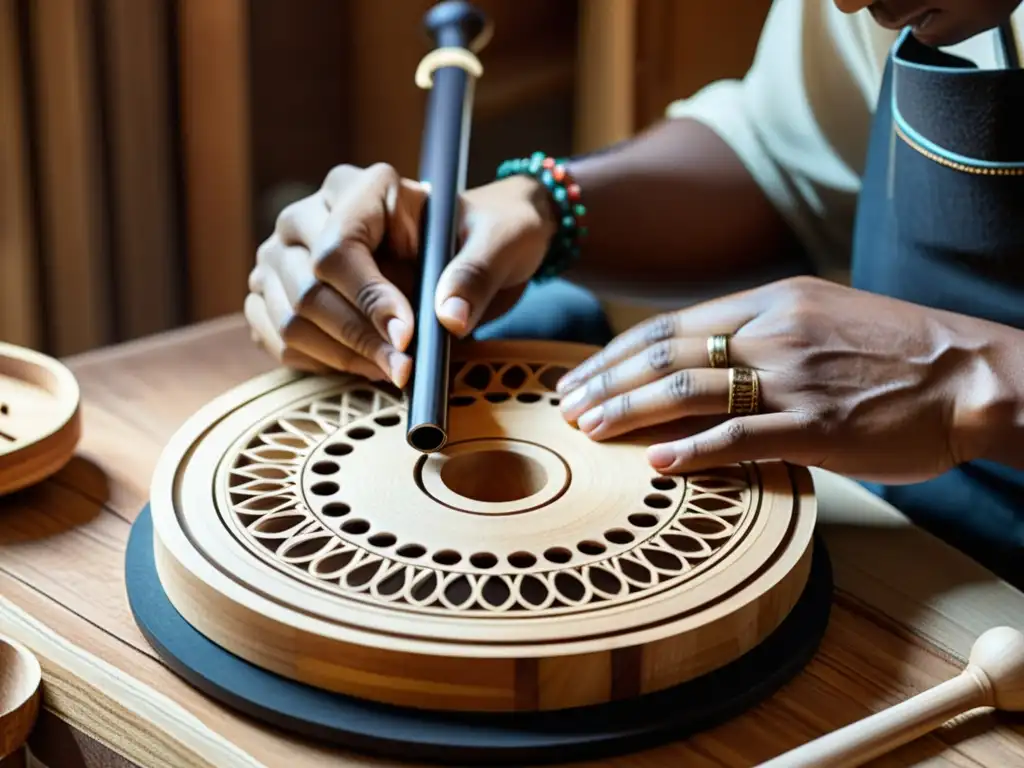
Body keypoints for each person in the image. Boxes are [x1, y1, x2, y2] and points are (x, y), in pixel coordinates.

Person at [245, 0, 1024, 586]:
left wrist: (975, 379)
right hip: (896, 502)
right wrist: (537, 208)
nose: (851, 4)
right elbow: (787, 156)